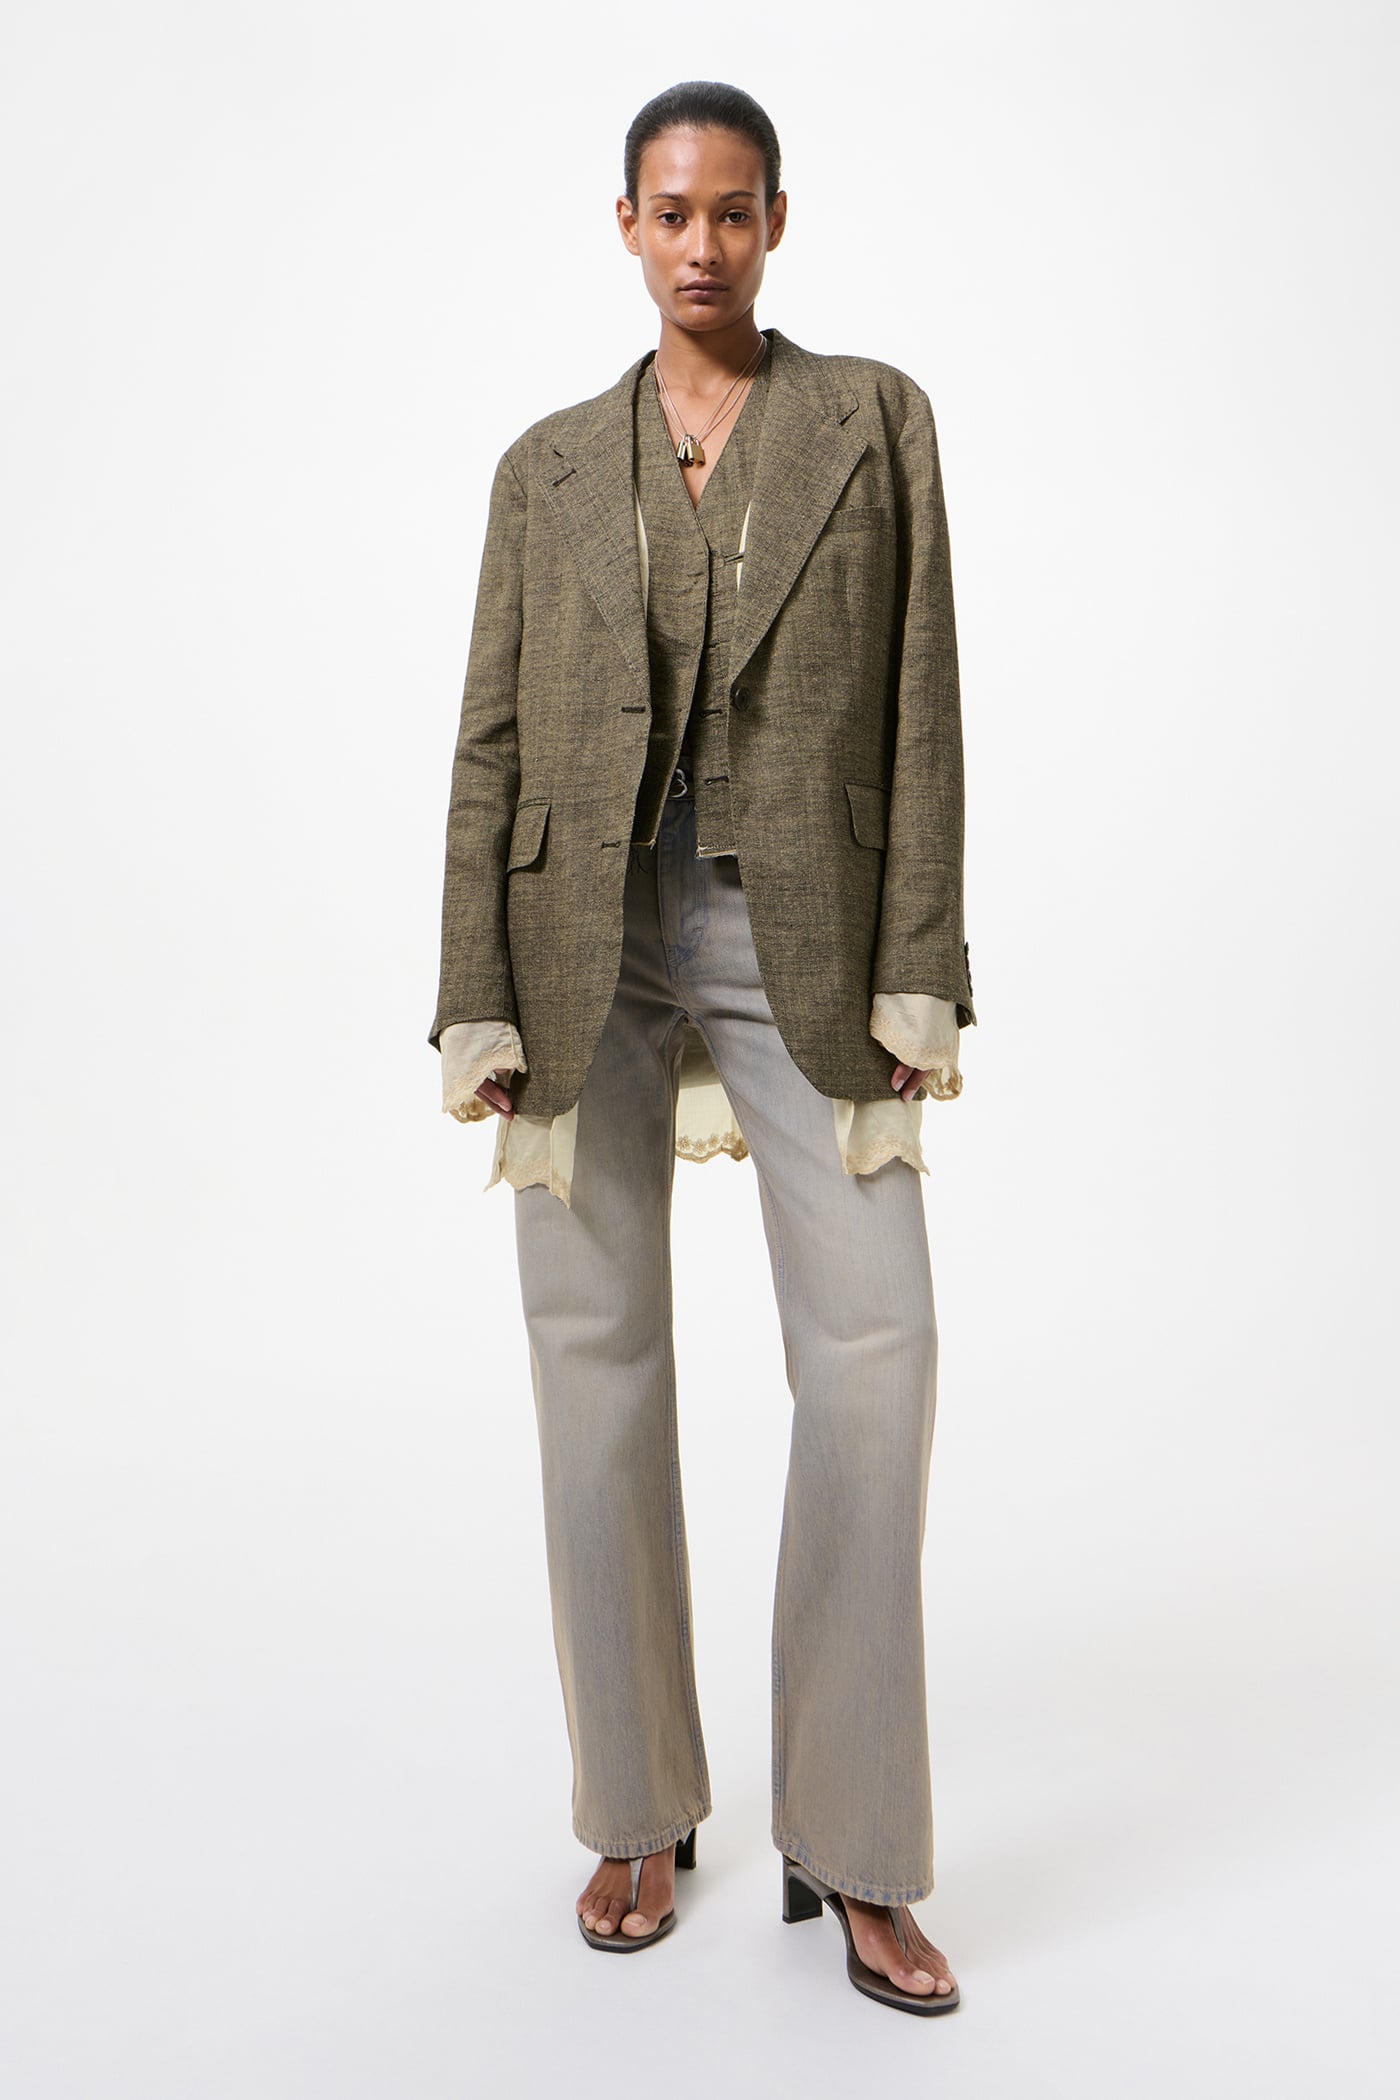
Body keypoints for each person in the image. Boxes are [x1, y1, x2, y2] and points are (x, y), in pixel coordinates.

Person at [429, 80, 974, 2016]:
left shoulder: (873, 423)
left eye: (733, 211)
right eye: (671, 212)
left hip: (796, 931)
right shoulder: (546, 468)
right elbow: (492, 739)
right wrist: (477, 992)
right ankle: (636, 1808)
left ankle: (857, 1841)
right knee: (591, 1368)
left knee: (879, 1357)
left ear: (775, 222)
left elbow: (921, 715)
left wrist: (919, 976)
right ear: (625, 225)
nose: (702, 244)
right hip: (580, 937)